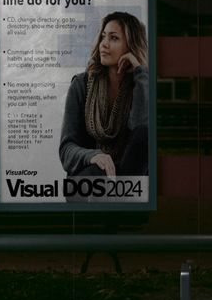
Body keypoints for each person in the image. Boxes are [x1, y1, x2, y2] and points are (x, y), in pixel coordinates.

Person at [59, 11, 149, 179]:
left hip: (128, 177)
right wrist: (93, 156)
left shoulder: (140, 86)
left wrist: (140, 73)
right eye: (103, 37)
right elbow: (66, 149)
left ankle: (120, 198)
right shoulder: (81, 85)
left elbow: (142, 136)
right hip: (90, 177)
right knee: (100, 171)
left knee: (144, 135)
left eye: (114, 38)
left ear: (131, 45)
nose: (104, 44)